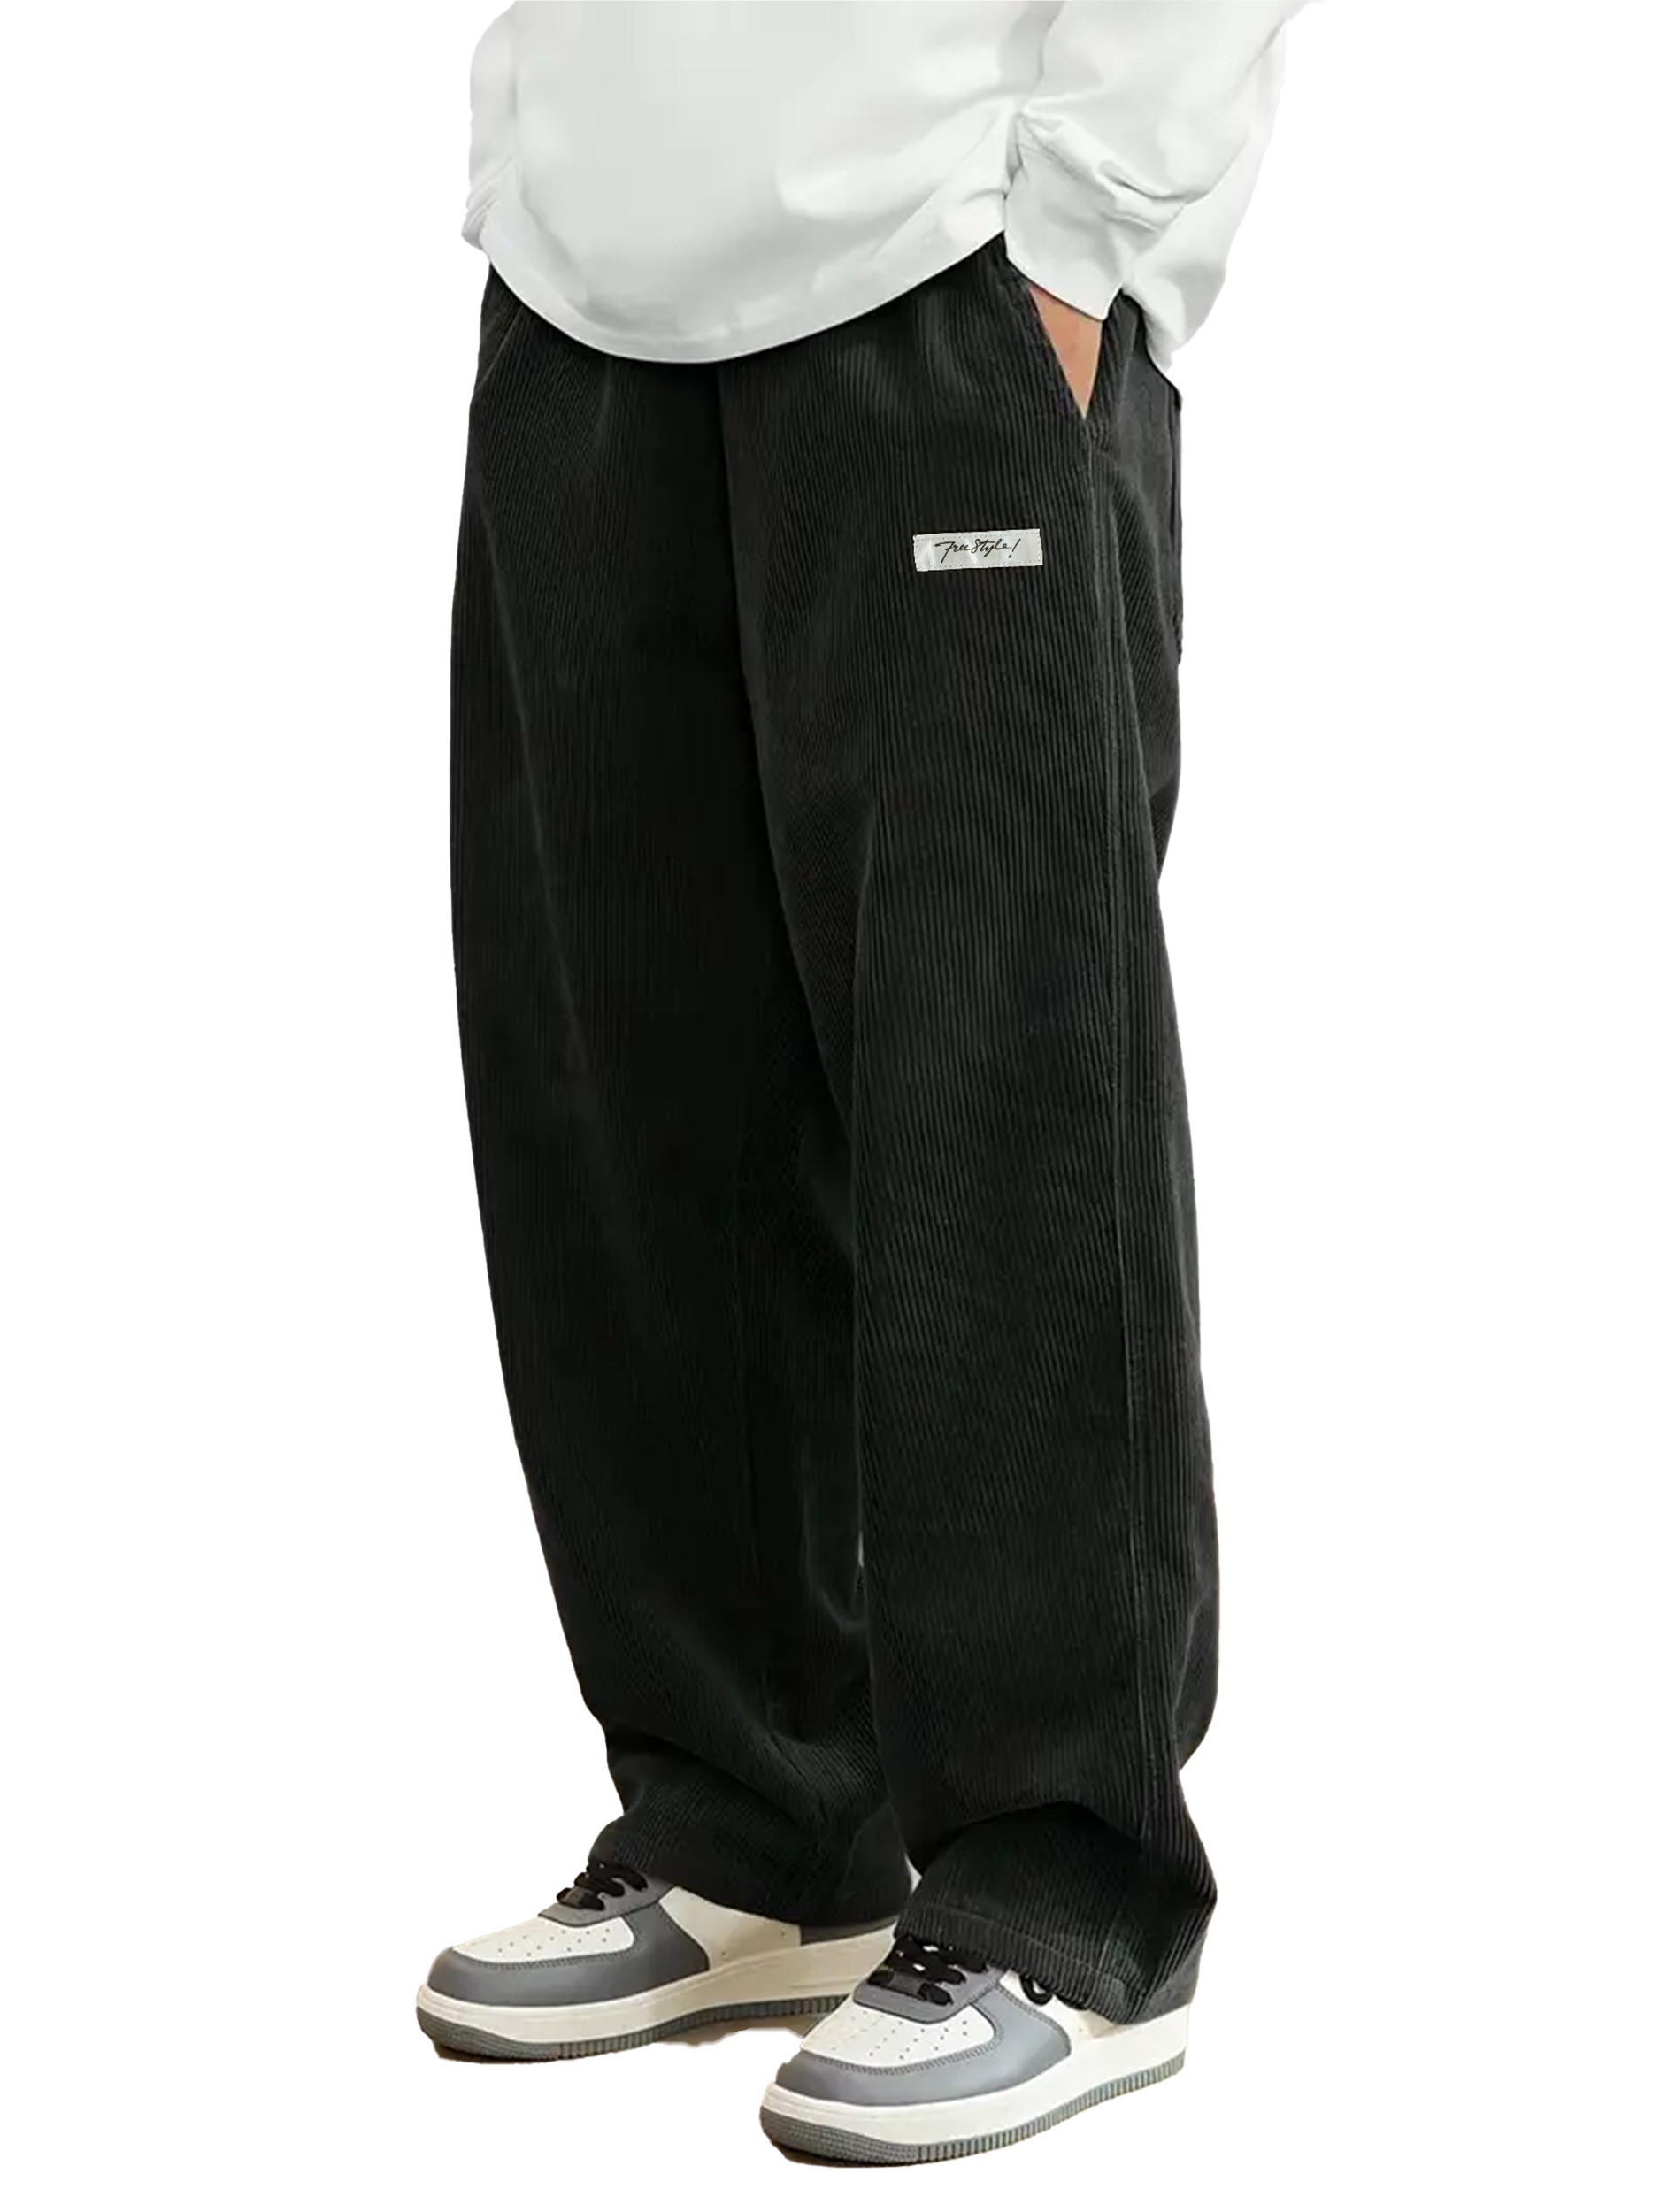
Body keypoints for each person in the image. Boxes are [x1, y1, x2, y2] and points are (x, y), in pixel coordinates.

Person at [418, 0, 1304, 2164]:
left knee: (993, 1092)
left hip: (942, 266)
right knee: (619, 1090)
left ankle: (1067, 1886)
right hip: (583, 285)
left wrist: (1085, 241)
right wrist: (523, 158)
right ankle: (752, 1821)